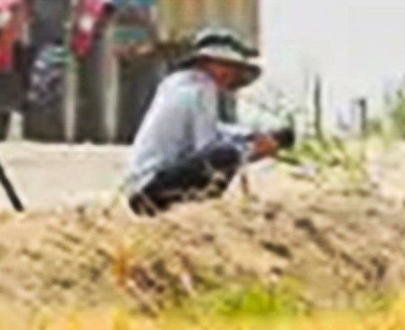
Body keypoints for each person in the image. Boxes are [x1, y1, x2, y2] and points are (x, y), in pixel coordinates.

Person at [122, 28, 292, 216]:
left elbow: (211, 130)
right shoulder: (202, 89)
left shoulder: (176, 83)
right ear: (207, 63)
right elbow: (206, 146)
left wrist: (250, 136)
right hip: (152, 189)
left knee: (230, 149)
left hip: (142, 187)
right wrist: (252, 150)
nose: (232, 73)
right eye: (226, 65)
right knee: (225, 155)